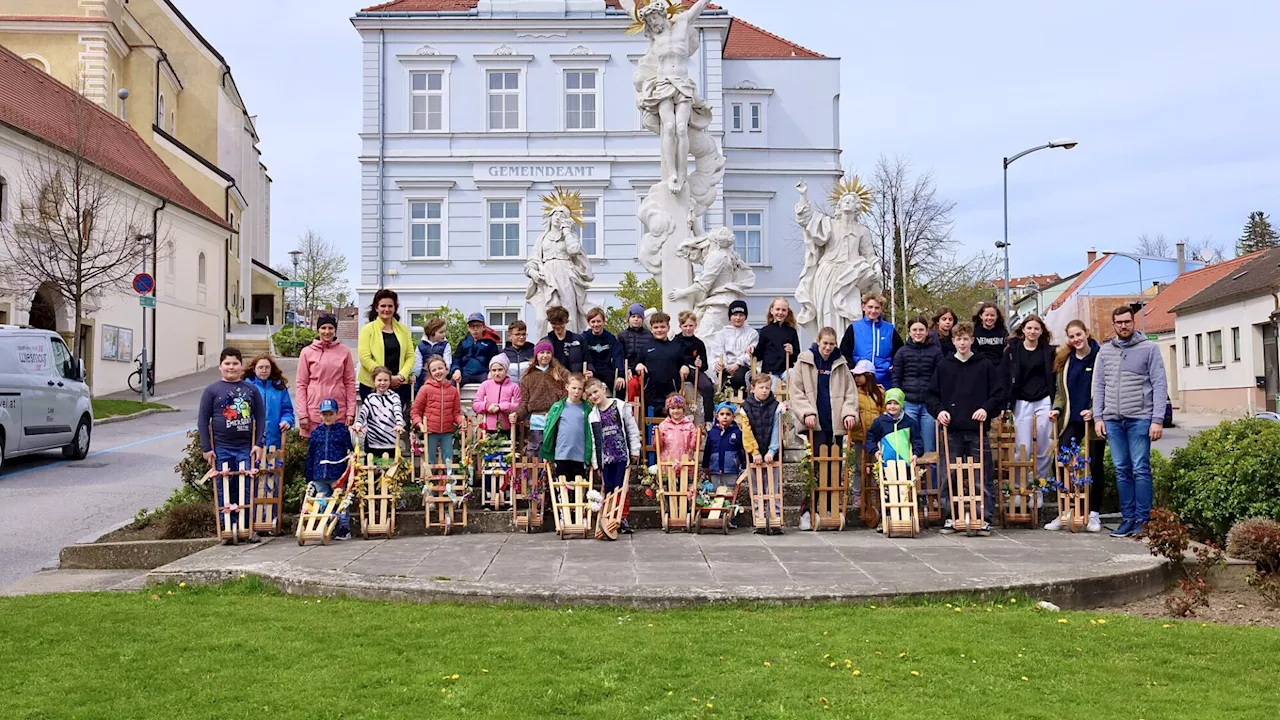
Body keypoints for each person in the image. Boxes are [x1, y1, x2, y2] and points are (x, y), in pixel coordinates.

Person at [1094, 306, 1167, 538]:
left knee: (1140, 469)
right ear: (1113, 325)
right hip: (1113, 420)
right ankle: (1127, 519)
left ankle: (1142, 521)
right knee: (1121, 470)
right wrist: (1098, 416)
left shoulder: (1149, 349)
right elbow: (1098, 386)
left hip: (1140, 418)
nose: (1123, 326)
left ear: (1133, 322)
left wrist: (1157, 419)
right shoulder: (1104, 352)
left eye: (1127, 322)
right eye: (1119, 322)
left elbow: (1159, 384)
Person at [927, 321, 1005, 536]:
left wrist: (985, 409)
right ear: (953, 341)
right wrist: (940, 411)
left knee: (981, 475)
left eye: (966, 339)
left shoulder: (984, 365)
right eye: (958, 339)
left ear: (972, 340)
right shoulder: (944, 366)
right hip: (951, 430)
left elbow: (998, 394)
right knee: (948, 476)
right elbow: (931, 395)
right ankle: (951, 517)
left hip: (977, 429)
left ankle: (984, 517)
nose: (962, 343)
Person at [793, 177, 883, 338]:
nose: (848, 202)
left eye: (852, 200)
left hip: (851, 275)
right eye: (845, 200)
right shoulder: (829, 224)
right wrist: (803, 195)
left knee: (853, 314)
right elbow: (805, 220)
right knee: (827, 315)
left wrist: (876, 267)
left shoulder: (862, 230)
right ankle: (828, 352)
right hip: (828, 273)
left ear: (857, 207)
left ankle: (847, 354)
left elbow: (869, 254)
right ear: (839, 205)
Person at [198, 348, 266, 537]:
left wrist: (259, 444)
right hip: (222, 448)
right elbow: (203, 420)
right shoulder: (211, 391)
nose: (231, 367)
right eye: (227, 363)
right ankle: (227, 527)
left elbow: (260, 418)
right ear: (220, 367)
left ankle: (246, 528)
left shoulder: (250, 390)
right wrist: (207, 448)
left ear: (241, 366)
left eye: (235, 363)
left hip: (245, 448)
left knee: (246, 487)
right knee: (225, 487)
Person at [1047, 319, 1105, 533]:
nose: (1076, 339)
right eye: (1072, 337)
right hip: (1072, 419)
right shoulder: (1065, 361)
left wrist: (1095, 410)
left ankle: (1093, 513)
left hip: (1093, 420)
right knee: (1060, 461)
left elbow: (1105, 388)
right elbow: (1060, 393)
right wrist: (1057, 409)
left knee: (1095, 465)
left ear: (1086, 333)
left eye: (1079, 335)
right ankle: (1066, 510)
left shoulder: (1100, 357)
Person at [586, 377, 642, 534]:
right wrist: (596, 463)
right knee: (609, 488)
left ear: (603, 389)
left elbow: (631, 428)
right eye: (590, 395)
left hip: (621, 455)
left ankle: (622, 517)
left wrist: (635, 450)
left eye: (595, 392)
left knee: (622, 487)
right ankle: (609, 516)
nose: (594, 396)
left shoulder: (620, 406)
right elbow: (594, 440)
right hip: (606, 458)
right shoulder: (593, 416)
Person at [791, 326, 860, 450]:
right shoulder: (804, 362)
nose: (828, 347)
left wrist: (849, 413)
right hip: (815, 421)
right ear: (818, 341)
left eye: (832, 344)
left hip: (835, 421)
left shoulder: (841, 364)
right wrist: (807, 413)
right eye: (825, 343)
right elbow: (796, 392)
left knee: (835, 463)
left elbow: (851, 393)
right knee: (817, 461)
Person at [1006, 313, 1056, 481]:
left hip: (1044, 400)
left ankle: (1039, 484)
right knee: (1023, 447)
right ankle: (1021, 486)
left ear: (1041, 331)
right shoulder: (1013, 350)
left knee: (1044, 445)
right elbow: (1004, 375)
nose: (1032, 331)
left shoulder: (1049, 352)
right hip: (1021, 400)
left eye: (1036, 328)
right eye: (1029, 328)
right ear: (1023, 330)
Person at [296, 314, 356, 438]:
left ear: (335, 330)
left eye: (330, 328)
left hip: (338, 411)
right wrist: (303, 414)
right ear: (318, 330)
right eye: (323, 328)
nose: (327, 332)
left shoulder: (344, 352)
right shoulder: (307, 352)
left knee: (338, 451)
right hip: (314, 410)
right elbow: (301, 384)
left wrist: (350, 411)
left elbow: (349, 383)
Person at [892, 315, 942, 457]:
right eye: (914, 330)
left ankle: (932, 479)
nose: (918, 333)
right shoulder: (901, 352)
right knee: (909, 444)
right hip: (908, 403)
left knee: (929, 447)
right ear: (909, 332)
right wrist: (898, 400)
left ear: (927, 332)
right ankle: (911, 478)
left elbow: (941, 378)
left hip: (929, 405)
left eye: (921, 330)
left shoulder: (936, 352)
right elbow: (896, 377)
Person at [304, 398, 354, 541]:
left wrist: (349, 470)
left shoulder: (342, 431)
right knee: (322, 501)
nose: (327, 417)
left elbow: (348, 451)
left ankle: (344, 529)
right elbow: (311, 455)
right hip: (319, 474)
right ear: (320, 415)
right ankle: (325, 525)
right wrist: (309, 475)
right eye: (324, 414)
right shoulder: (316, 433)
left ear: (336, 414)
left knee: (340, 501)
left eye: (330, 414)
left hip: (337, 474)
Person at [358, 290, 415, 410]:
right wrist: (387, 378)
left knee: (396, 425)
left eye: (390, 306)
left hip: (399, 386)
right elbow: (365, 358)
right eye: (383, 306)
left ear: (395, 308)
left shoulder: (403, 330)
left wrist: (401, 376)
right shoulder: (367, 330)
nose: (387, 309)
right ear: (376, 308)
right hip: (372, 386)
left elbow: (410, 356)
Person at [514, 341, 569, 455]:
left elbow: (567, 394)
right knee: (537, 452)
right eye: (542, 352)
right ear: (536, 355)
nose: (545, 355)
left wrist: (556, 410)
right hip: (536, 420)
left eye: (548, 352)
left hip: (556, 418)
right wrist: (517, 414)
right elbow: (524, 402)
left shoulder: (561, 373)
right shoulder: (528, 376)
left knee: (555, 451)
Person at [839, 295, 902, 390]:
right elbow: (844, 352)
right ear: (863, 307)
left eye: (877, 308)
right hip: (860, 381)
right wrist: (854, 368)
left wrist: (893, 366)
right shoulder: (854, 328)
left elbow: (900, 352)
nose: (873, 311)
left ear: (881, 309)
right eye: (870, 307)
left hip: (884, 381)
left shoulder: (889, 329)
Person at [411, 355, 463, 469]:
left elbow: (456, 413)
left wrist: (461, 422)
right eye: (434, 370)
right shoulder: (425, 389)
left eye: (440, 368)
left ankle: (450, 482)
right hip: (429, 431)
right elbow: (415, 411)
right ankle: (429, 482)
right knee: (430, 459)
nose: (437, 372)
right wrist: (420, 424)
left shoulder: (453, 391)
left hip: (447, 431)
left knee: (448, 458)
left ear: (446, 369)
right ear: (430, 373)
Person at [540, 373, 593, 481]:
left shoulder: (587, 408)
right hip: (561, 454)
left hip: (580, 455)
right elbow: (549, 431)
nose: (576, 392)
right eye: (574, 388)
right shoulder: (557, 407)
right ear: (567, 387)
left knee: (578, 488)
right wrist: (547, 453)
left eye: (580, 389)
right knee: (562, 487)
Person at [635, 312, 685, 418]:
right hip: (651, 393)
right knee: (650, 426)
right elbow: (636, 364)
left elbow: (683, 363)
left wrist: (685, 367)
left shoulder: (676, 347)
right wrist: (639, 365)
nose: (659, 330)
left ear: (668, 327)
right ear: (651, 329)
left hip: (671, 392)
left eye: (662, 327)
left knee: (671, 423)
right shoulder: (646, 347)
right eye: (656, 327)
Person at [246, 354, 295, 451]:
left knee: (274, 465)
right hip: (251, 441)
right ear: (254, 369)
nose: (264, 370)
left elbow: (287, 410)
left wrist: (286, 421)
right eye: (260, 367)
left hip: (274, 439)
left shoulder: (279, 388)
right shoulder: (246, 387)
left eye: (267, 367)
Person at [353, 366, 405, 456]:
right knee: (371, 466)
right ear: (374, 381)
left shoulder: (394, 397)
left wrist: (399, 424)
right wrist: (358, 425)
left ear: (390, 382)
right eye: (379, 380)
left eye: (385, 380)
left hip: (390, 441)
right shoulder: (370, 398)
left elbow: (398, 411)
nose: (382, 383)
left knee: (390, 468)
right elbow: (363, 413)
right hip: (373, 442)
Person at [865, 388, 925, 464]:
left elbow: (917, 440)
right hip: (886, 462)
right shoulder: (880, 422)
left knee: (906, 476)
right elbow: (871, 438)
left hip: (905, 462)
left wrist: (916, 454)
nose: (892, 406)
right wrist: (875, 451)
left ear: (901, 404)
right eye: (889, 403)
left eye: (896, 403)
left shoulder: (909, 422)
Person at [676, 310, 715, 424]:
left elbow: (705, 364)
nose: (688, 328)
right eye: (685, 326)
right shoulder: (676, 341)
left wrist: (700, 363)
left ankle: (708, 420)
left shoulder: (699, 343)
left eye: (691, 326)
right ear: (680, 326)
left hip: (695, 371)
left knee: (707, 387)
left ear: (695, 326)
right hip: (679, 371)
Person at [710, 299, 758, 393]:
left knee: (738, 379)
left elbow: (751, 353)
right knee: (723, 383)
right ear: (729, 317)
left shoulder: (752, 333)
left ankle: (743, 403)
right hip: (726, 366)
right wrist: (721, 364)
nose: (738, 318)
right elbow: (717, 351)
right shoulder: (721, 334)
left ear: (745, 317)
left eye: (741, 315)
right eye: (735, 315)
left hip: (744, 366)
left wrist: (737, 364)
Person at [750, 297, 799, 383]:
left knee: (795, 377)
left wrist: (792, 351)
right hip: (770, 371)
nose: (780, 312)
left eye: (784, 310)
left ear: (787, 312)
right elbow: (759, 354)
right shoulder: (765, 331)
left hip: (786, 369)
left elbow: (797, 355)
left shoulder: (791, 331)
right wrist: (752, 350)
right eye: (777, 309)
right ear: (771, 310)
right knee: (772, 386)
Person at [739, 373, 783, 464]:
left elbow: (777, 429)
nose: (764, 391)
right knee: (755, 477)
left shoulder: (776, 406)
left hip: (772, 455)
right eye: (761, 387)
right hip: (753, 455)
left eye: (767, 388)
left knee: (774, 478)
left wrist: (772, 451)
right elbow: (747, 432)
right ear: (753, 389)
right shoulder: (746, 407)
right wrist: (754, 452)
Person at [472, 354, 521, 434]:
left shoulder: (514, 387)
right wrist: (487, 406)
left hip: (507, 428)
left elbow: (519, 406)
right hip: (488, 428)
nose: (497, 373)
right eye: (494, 370)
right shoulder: (485, 385)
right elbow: (475, 405)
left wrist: (502, 406)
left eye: (500, 370)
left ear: (506, 370)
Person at [582, 307, 625, 393]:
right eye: (593, 322)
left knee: (621, 386)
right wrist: (589, 370)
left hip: (606, 370)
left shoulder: (610, 338)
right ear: (589, 323)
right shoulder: (584, 337)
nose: (596, 324)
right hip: (591, 370)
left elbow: (617, 356)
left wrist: (620, 375)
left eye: (598, 321)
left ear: (604, 321)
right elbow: (583, 356)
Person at [703, 402, 746, 488]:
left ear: (733, 417)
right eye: (722, 414)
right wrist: (705, 465)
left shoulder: (737, 433)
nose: (725, 417)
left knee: (730, 491)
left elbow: (741, 450)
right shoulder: (712, 433)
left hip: (731, 469)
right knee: (716, 491)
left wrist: (743, 464)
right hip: (715, 469)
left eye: (728, 414)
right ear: (717, 416)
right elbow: (707, 450)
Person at [452, 312, 501, 386]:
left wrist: (492, 371)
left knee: (495, 383)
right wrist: (456, 370)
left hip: (483, 373)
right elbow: (456, 359)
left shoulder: (490, 343)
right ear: (468, 328)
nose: (475, 329)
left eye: (478, 326)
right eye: (472, 326)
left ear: (483, 327)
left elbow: (495, 360)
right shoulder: (463, 342)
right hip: (466, 373)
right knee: (451, 383)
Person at [620, 303, 655, 402]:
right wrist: (625, 370)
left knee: (646, 386)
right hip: (629, 370)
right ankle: (632, 410)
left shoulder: (649, 335)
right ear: (628, 318)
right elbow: (620, 355)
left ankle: (646, 412)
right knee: (632, 385)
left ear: (643, 319)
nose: (636, 319)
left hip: (645, 370)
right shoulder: (622, 335)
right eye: (633, 316)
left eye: (639, 317)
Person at [656, 393, 699, 464]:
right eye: (672, 408)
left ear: (683, 409)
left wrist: (697, 436)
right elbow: (658, 446)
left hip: (685, 463)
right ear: (668, 410)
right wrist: (656, 436)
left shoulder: (689, 425)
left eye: (679, 408)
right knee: (668, 474)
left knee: (685, 474)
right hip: (668, 462)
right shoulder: (663, 425)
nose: (676, 411)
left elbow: (694, 446)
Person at [412, 318, 451, 396]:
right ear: (432, 333)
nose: (444, 334)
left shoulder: (445, 345)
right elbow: (418, 364)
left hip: (439, 376)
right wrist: (414, 375)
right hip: (424, 377)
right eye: (441, 332)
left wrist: (444, 373)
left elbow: (447, 362)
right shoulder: (421, 346)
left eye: (444, 331)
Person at [542, 304, 586, 374]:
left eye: (561, 323)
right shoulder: (545, 342)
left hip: (574, 379)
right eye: (554, 323)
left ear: (566, 321)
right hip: (552, 378)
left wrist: (590, 370)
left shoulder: (578, 339)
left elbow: (587, 360)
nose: (557, 326)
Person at [971, 301, 1009, 377]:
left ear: (997, 316)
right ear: (981, 316)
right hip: (980, 370)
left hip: (999, 371)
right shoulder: (974, 332)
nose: (989, 318)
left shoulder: (1003, 332)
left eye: (992, 315)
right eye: (987, 315)